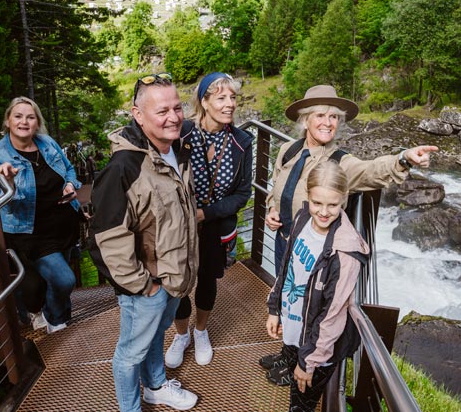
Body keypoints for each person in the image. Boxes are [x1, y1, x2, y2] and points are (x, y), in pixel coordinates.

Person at [261, 85, 438, 382]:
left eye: (334, 117)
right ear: (305, 120)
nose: (328, 122)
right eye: (320, 115)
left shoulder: (341, 163)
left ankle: (298, 367)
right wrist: (271, 209)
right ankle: (287, 354)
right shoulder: (287, 150)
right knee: (290, 302)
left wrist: (403, 159)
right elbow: (276, 183)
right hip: (285, 243)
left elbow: (371, 171)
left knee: (307, 311)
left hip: (315, 254)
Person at [89, 73, 199, 411]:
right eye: (162, 111)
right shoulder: (124, 167)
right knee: (129, 353)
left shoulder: (175, 150)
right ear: (138, 115)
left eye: (177, 108)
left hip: (170, 276)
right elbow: (106, 238)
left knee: (154, 337)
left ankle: (155, 386)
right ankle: (130, 407)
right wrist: (142, 285)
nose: (174, 117)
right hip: (146, 284)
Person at [164, 72, 254, 369]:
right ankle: (181, 335)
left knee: (206, 279)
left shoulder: (242, 141)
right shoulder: (182, 132)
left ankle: (200, 331)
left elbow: (242, 193)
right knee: (177, 282)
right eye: (221, 97)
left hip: (213, 225)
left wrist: (206, 213)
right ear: (204, 101)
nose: (230, 104)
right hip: (178, 225)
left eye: (233, 97)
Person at [266, 160, 368, 411]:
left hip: (316, 349)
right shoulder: (302, 218)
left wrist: (309, 362)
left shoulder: (344, 254)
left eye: (333, 205)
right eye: (317, 203)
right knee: (294, 370)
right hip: (295, 323)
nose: (323, 212)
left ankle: (298, 372)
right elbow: (288, 265)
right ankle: (291, 364)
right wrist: (275, 307)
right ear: (308, 197)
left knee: (301, 403)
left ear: (344, 200)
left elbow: (332, 315)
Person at [0, 96, 79, 334]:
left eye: (30, 116)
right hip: (30, 232)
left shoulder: (46, 143)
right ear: (7, 121)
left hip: (63, 222)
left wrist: (70, 184)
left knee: (59, 280)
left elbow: (68, 169)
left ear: (37, 122)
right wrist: (9, 183)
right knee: (64, 279)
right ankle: (53, 318)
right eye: (18, 116)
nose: (24, 121)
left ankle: (59, 320)